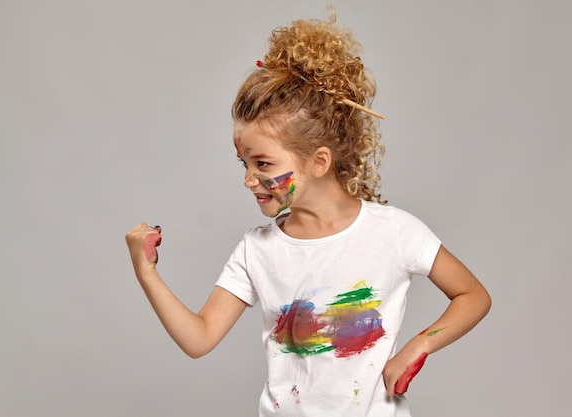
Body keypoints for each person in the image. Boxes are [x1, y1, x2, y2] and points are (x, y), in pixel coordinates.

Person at [125, 12, 491, 417]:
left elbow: (472, 295)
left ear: (319, 161)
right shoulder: (257, 250)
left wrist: (419, 345)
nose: (249, 180)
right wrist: (147, 272)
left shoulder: (395, 232)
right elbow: (200, 339)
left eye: (262, 164)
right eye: (243, 164)